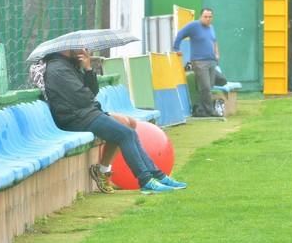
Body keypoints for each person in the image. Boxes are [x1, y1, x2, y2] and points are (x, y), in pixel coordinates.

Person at [44, 48, 187, 194]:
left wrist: (87, 69)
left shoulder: (68, 65)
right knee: (125, 134)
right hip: (76, 118)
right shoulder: (58, 69)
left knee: (128, 130)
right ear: (65, 49)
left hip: (86, 113)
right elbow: (83, 98)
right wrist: (88, 94)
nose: (83, 49)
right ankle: (146, 181)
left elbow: (92, 93)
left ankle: (158, 176)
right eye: (79, 47)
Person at [173, 8, 219, 117]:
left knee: (209, 87)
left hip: (212, 61)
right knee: (206, 87)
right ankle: (210, 111)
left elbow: (215, 41)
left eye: (210, 17)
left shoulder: (211, 28)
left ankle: (201, 110)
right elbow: (180, 34)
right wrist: (176, 48)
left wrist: (217, 54)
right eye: (205, 16)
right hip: (199, 62)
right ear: (200, 16)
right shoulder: (193, 26)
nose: (208, 19)